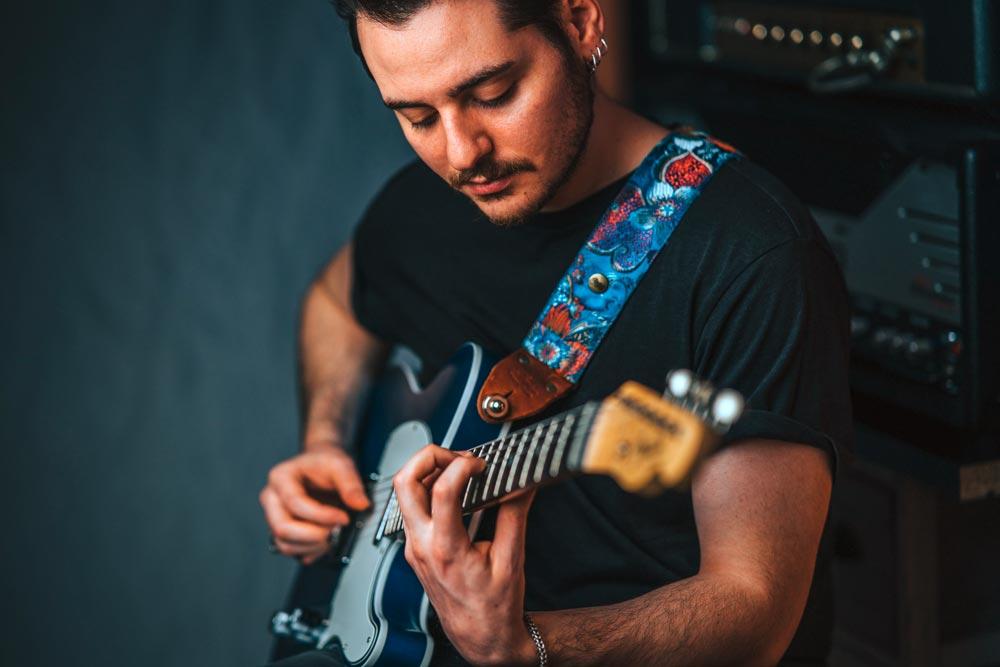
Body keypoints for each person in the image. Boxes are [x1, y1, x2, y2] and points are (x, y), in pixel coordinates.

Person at [259, 0, 853, 664]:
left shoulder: (749, 253)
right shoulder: (420, 206)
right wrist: (323, 444)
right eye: (417, 116)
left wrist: (531, 644)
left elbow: (754, 606)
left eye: (493, 93)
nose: (462, 154)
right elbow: (334, 303)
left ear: (578, 23)